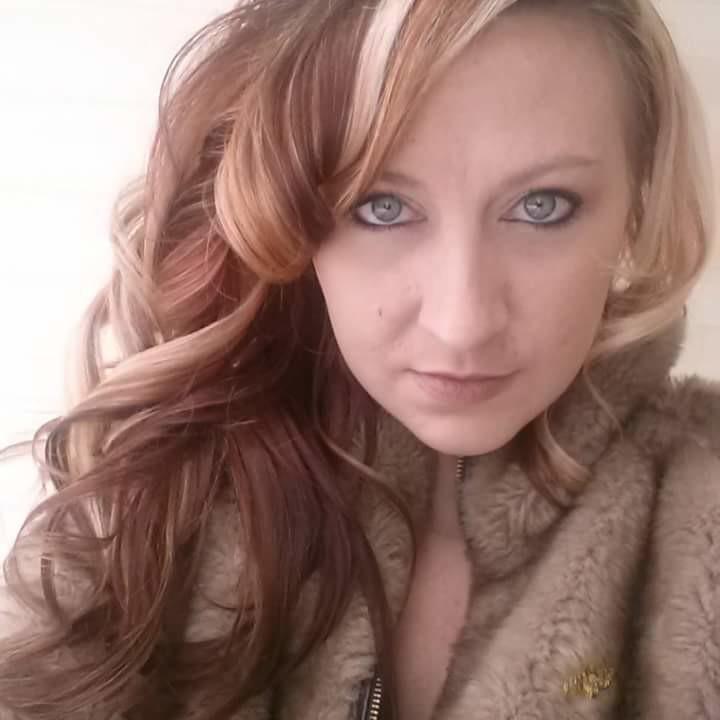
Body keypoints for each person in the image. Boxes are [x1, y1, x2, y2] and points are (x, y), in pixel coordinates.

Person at [0, 0, 718, 718]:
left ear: (636, 205)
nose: (461, 323)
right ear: (293, 216)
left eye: (542, 206)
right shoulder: (148, 502)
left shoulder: (701, 517)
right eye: (381, 206)